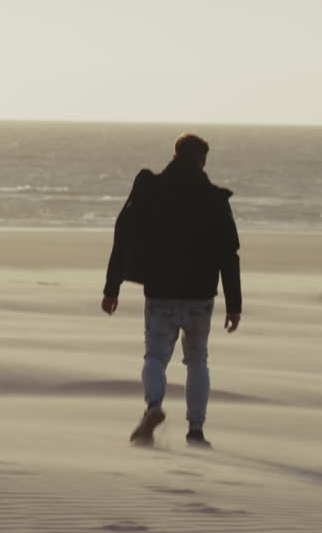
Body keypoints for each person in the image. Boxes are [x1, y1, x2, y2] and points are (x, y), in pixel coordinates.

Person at [101, 133, 241, 448]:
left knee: (155, 356)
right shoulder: (214, 200)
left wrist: (112, 288)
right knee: (197, 361)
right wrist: (235, 304)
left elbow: (123, 234)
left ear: (174, 155)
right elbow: (228, 254)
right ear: (203, 161)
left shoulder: (151, 190)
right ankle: (196, 431)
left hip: (160, 290)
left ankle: (153, 407)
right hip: (200, 295)